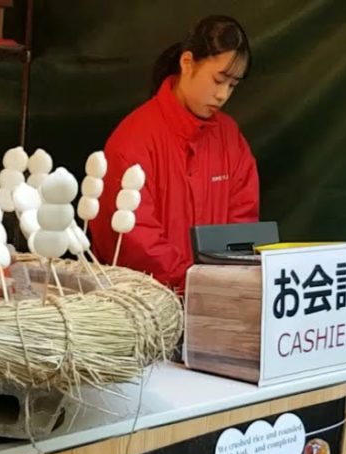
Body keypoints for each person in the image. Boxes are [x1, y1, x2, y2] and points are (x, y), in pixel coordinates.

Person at [88, 15, 261, 294]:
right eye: (218, 80)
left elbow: (243, 223)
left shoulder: (230, 138)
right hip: (146, 305)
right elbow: (133, 238)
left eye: (232, 85)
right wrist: (192, 282)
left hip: (213, 301)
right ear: (187, 62)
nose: (223, 95)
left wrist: (219, 287)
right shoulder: (134, 138)